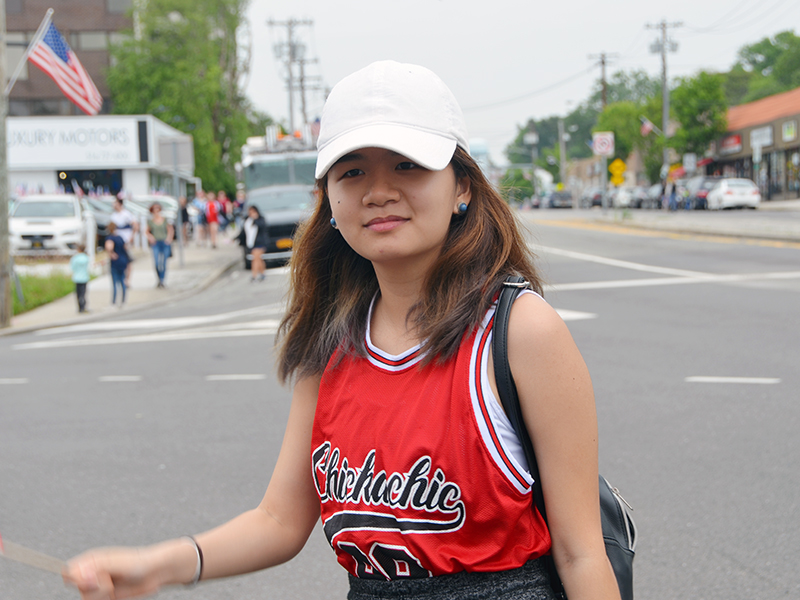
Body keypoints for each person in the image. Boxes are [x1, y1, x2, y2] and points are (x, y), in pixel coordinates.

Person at [64, 61, 619, 600]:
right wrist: (153, 567)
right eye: (351, 171)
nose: (378, 190)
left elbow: (580, 553)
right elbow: (280, 520)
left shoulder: (520, 330)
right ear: (328, 199)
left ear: (462, 188)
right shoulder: (329, 346)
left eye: (407, 165)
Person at [145, 202, 174, 288]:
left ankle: (162, 280)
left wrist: (169, 239)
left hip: (164, 242)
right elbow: (146, 231)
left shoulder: (164, 219)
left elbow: (170, 229)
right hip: (156, 243)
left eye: (158, 209)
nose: (156, 211)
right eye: (154, 209)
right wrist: (150, 237)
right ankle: (159, 278)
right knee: (157, 262)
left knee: (164, 262)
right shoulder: (151, 221)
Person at [110, 196, 138, 286]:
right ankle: (120, 278)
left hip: (126, 239)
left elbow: (135, 225)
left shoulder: (127, 214)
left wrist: (131, 237)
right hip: (117, 240)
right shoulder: (113, 215)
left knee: (128, 260)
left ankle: (127, 279)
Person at [237, 204, 268, 282]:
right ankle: (263, 273)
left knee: (255, 259)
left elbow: (262, 227)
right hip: (251, 243)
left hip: (260, 242)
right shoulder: (247, 220)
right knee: (259, 259)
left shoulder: (260, 219)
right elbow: (244, 232)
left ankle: (254, 276)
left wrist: (255, 219)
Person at [104, 222, 129, 308]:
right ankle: (123, 301)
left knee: (115, 283)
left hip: (115, 261)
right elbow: (125, 247)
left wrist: (110, 253)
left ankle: (114, 302)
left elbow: (109, 247)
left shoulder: (110, 238)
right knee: (122, 281)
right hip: (123, 260)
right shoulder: (120, 237)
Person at [69, 243, 90, 313]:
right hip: (84, 277)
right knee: (83, 293)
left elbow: (72, 268)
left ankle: (80, 307)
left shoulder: (75, 258)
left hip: (77, 278)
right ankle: (84, 306)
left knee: (78, 294)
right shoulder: (86, 257)